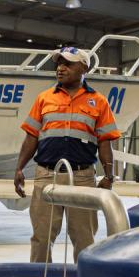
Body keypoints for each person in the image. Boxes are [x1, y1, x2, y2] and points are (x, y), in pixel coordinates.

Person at [14, 46, 120, 263]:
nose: (60, 68)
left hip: (82, 178)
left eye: (67, 64)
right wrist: (19, 168)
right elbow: (31, 137)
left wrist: (109, 176)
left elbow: (105, 142)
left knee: (84, 237)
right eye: (59, 64)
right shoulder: (44, 98)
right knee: (41, 237)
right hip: (46, 176)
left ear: (83, 67)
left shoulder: (99, 102)